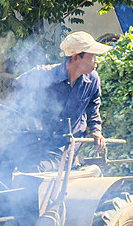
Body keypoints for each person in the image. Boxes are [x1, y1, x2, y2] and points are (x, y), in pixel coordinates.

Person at [8, 31, 112, 172]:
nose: (96, 62)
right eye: (92, 57)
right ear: (75, 57)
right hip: (41, 143)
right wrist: (28, 116)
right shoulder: (45, 74)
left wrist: (96, 131)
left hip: (68, 147)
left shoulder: (92, 79)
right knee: (7, 162)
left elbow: (93, 107)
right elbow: (17, 86)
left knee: (38, 169)